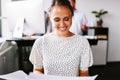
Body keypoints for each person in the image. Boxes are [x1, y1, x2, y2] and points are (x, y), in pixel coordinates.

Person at [29, 0, 93, 76]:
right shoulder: (40, 42)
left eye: (66, 19)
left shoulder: (82, 43)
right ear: (50, 18)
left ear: (72, 17)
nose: (62, 24)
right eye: (57, 20)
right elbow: (37, 70)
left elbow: (84, 73)